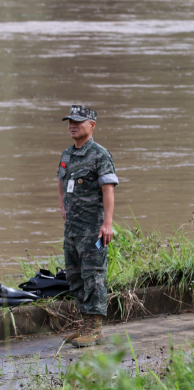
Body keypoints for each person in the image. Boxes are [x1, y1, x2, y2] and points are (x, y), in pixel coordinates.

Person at [57, 105, 119, 347]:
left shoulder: (100, 155)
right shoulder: (66, 154)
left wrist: (108, 224)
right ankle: (86, 324)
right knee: (75, 276)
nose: (72, 125)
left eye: (78, 121)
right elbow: (61, 183)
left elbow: (108, 190)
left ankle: (95, 328)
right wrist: (63, 207)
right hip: (72, 229)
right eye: (70, 121)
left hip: (93, 228)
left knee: (93, 276)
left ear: (92, 125)